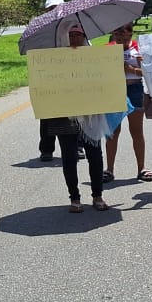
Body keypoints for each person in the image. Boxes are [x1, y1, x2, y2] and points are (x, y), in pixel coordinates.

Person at [49, 23, 110, 213]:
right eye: (71, 35)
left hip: (91, 115)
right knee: (68, 156)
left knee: (95, 155)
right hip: (65, 114)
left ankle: (97, 195)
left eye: (79, 34)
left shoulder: (94, 57)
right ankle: (74, 198)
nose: (75, 38)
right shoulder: (54, 59)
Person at [103, 23, 152, 182]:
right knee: (112, 132)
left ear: (131, 34)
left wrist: (130, 69)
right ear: (113, 34)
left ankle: (141, 168)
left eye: (126, 35)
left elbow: (148, 72)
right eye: (118, 35)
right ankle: (109, 170)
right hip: (114, 90)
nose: (122, 39)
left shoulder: (139, 49)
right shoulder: (107, 49)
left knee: (137, 131)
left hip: (134, 89)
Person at [37, 0, 73, 162]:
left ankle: (77, 146)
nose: (55, 11)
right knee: (48, 114)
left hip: (71, 75)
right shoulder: (39, 30)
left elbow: (86, 48)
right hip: (49, 77)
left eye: (57, 8)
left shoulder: (74, 25)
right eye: (51, 8)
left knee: (75, 113)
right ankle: (46, 149)